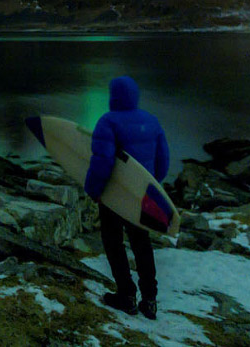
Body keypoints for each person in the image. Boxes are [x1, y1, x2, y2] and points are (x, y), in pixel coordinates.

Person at [84, 75, 169, 319]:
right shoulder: (151, 121)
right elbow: (163, 161)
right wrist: (151, 187)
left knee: (113, 242)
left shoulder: (108, 122)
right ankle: (150, 300)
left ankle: (126, 295)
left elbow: (102, 161)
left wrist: (94, 190)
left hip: (114, 195)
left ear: (113, 96)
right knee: (142, 242)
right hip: (142, 196)